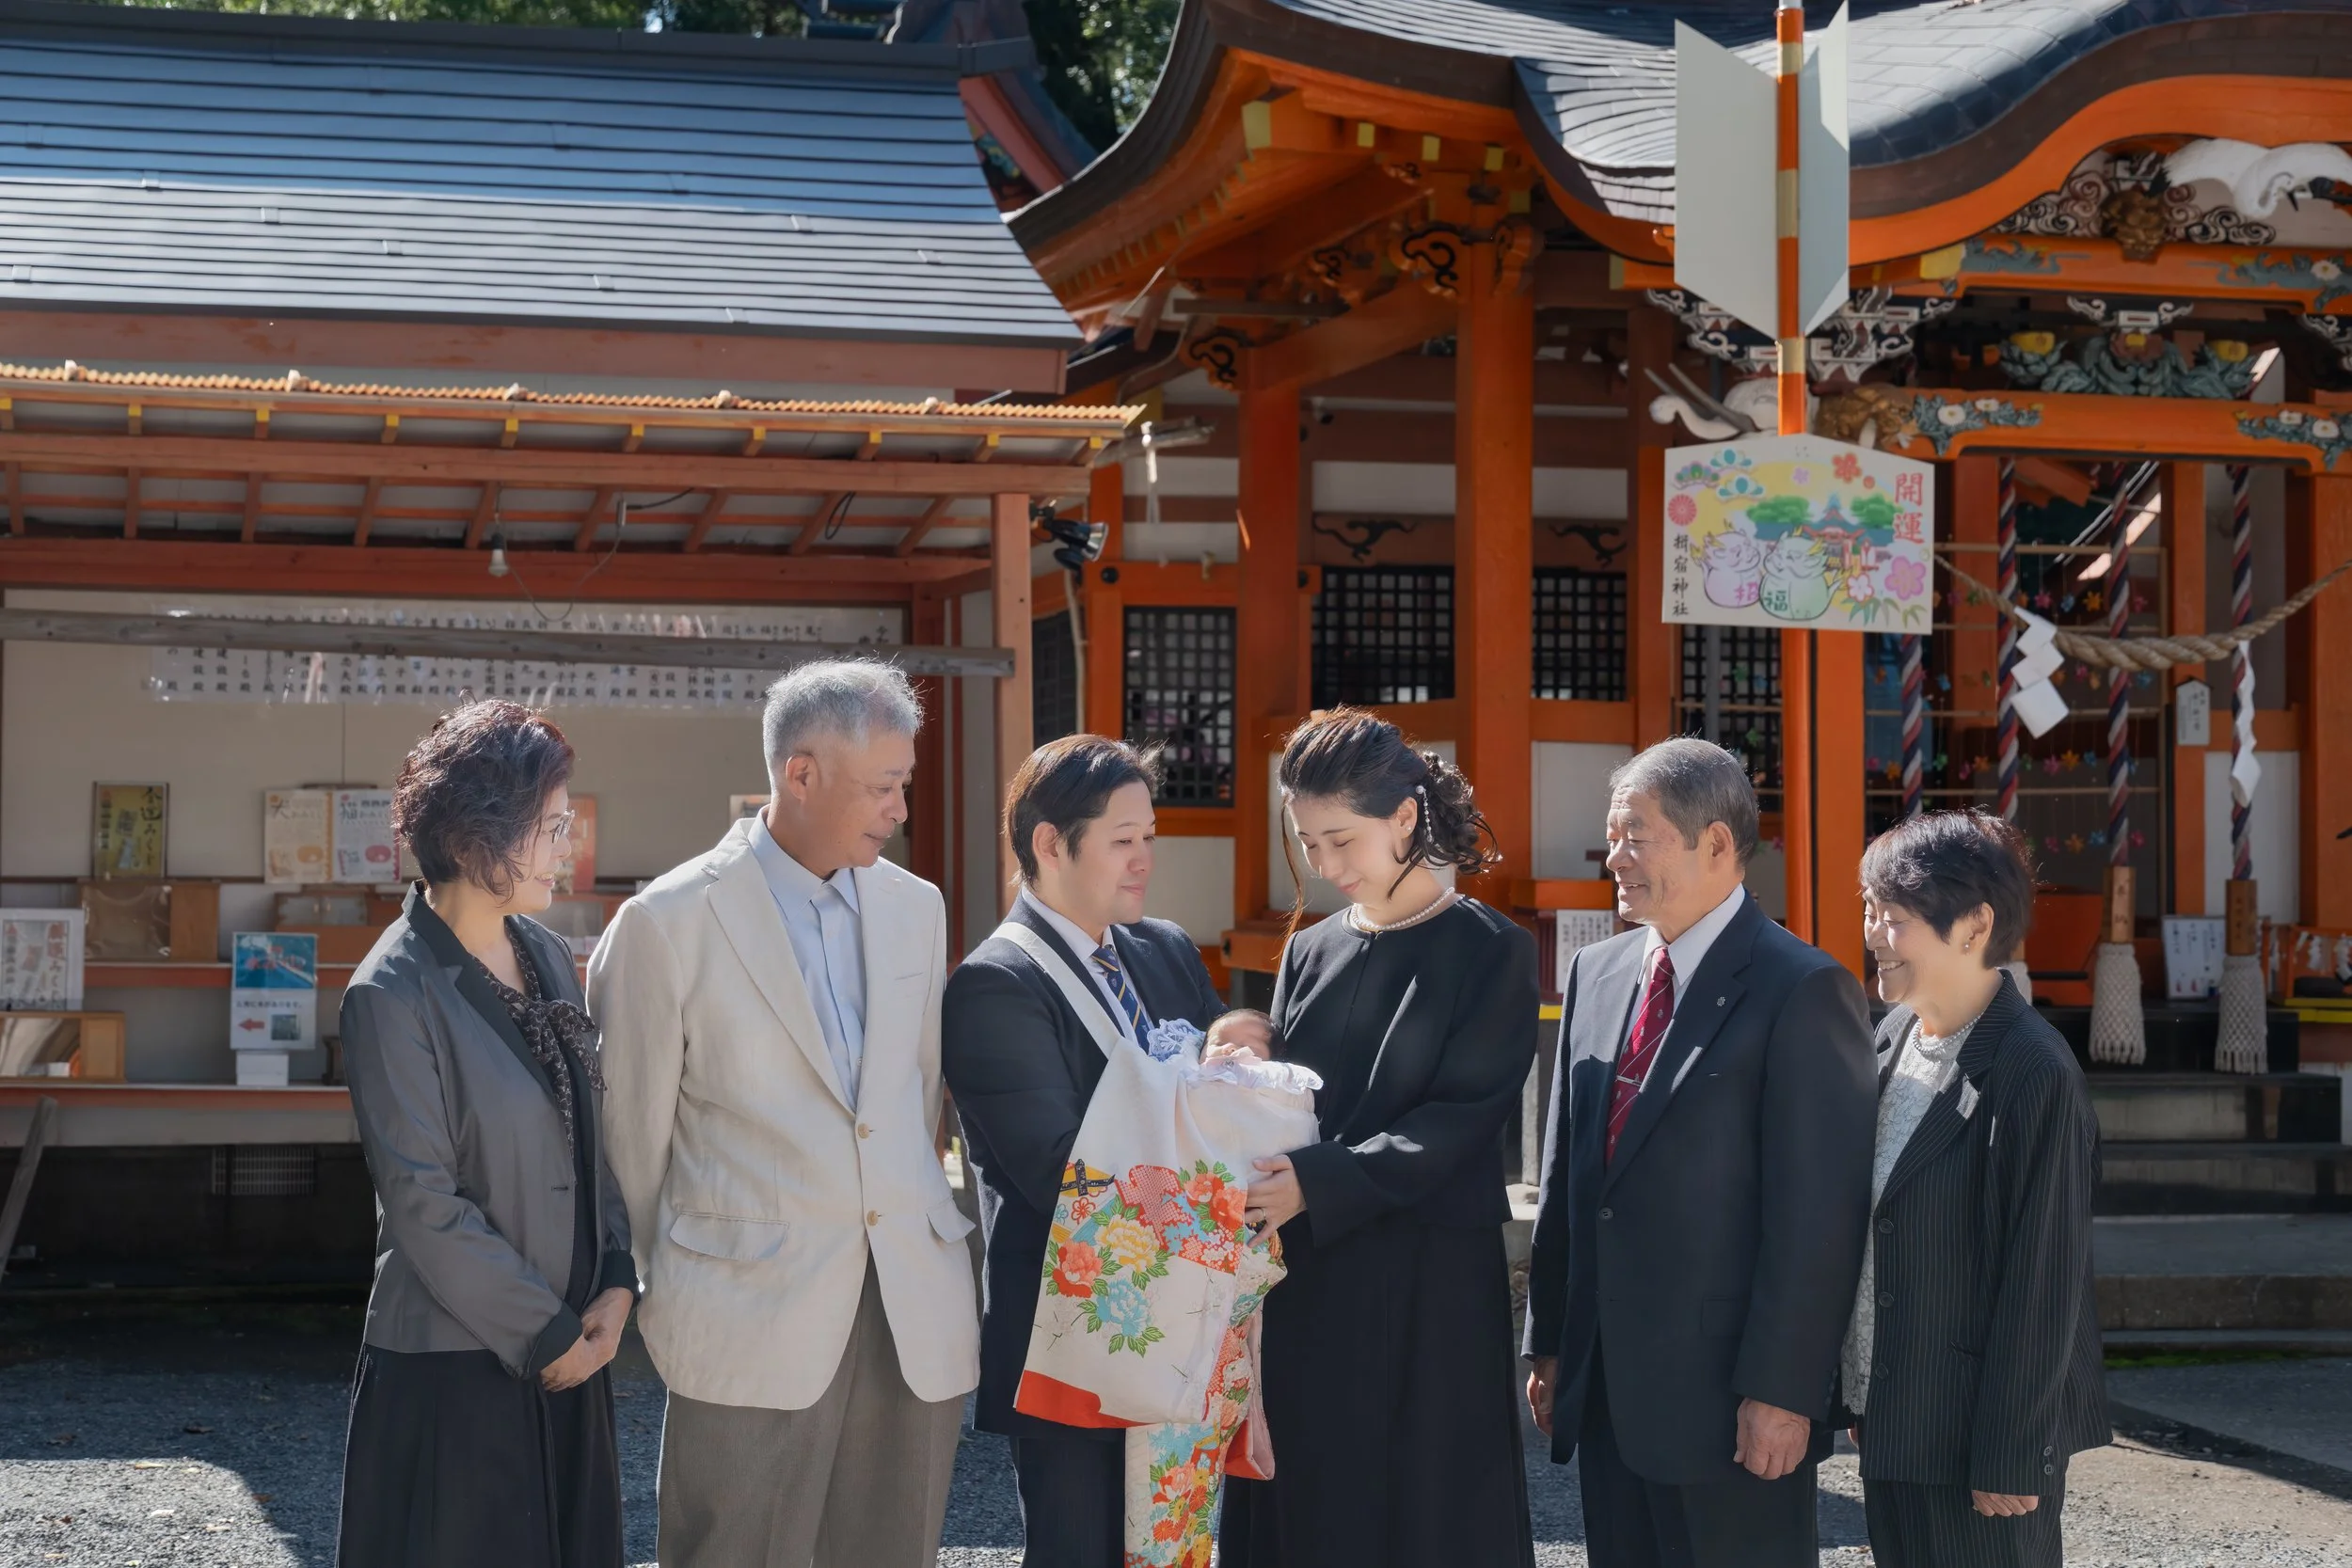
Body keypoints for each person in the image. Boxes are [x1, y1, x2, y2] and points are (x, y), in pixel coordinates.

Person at [592, 659, 977, 1568]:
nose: (901, 809)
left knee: (891, 1549)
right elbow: (631, 1141)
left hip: (907, 1301)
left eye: (904, 784)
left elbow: (919, 1095)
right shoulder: (668, 919)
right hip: (743, 1299)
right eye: (884, 786)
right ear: (799, 773)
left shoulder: (915, 907)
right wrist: (659, 1287)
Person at [1524, 736, 1878, 1568]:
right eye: (1612, 835)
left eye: (1635, 834)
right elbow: (1570, 1172)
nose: (1614, 856)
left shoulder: (1801, 986)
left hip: (1730, 1396)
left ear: (1716, 842)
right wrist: (1550, 1339)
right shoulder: (1599, 972)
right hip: (1607, 1378)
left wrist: (1786, 1390)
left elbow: (1818, 1217)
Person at [1216, 708, 1539, 1568]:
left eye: (1340, 840)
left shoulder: (1492, 949)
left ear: (1405, 818)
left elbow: (1464, 1116)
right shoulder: (1310, 949)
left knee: (1422, 1504)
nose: (1324, 866)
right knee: (1310, 1494)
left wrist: (1319, 1181)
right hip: (1309, 1271)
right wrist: (1245, 1052)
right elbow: (1298, 1097)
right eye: (1307, 842)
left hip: (1429, 1275)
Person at [337, 700, 635, 1568]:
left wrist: (617, 1274)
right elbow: (425, 1205)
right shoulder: (389, 992)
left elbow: (591, 1126)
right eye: (549, 827)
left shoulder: (544, 951)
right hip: (459, 1366)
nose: (566, 846)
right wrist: (550, 1336)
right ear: (476, 842)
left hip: (573, 1342)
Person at [941, 734, 1234, 1567]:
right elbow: (1060, 1169)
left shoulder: (1165, 948)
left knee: (1181, 1546)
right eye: (1122, 840)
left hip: (1184, 1320)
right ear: (1048, 843)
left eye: (1149, 837)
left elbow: (1222, 1079)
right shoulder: (995, 982)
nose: (1144, 859)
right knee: (1083, 1549)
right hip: (1074, 1337)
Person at [1844, 811, 2107, 1567]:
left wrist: (2011, 1450)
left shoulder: (2032, 1069)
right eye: (1870, 911)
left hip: (1977, 1438)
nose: (1871, 933)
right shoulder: (1893, 1035)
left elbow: (2044, 1279)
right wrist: (1865, 1385)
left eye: (1892, 917)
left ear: (1974, 924)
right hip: (1901, 1413)